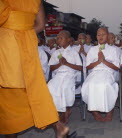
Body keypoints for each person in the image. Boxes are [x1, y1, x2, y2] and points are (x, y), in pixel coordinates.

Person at [0, 0, 70, 138]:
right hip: (27, 42)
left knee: (8, 94)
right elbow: (40, 25)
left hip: (7, 43)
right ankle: (58, 126)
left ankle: (57, 126)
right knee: (31, 88)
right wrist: (23, 30)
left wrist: (13, 28)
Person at [81, 27, 120, 122]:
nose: (101, 37)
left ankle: (109, 111)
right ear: (96, 37)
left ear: (108, 36)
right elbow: (88, 66)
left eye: (103, 34)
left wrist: (104, 61)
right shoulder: (92, 49)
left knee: (105, 85)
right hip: (95, 73)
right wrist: (98, 61)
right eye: (99, 35)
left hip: (108, 72)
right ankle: (95, 112)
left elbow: (117, 67)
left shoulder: (113, 50)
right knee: (90, 85)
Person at [48, 30, 83, 124]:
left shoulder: (74, 52)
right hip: (58, 76)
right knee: (50, 86)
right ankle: (58, 111)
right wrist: (60, 64)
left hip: (70, 76)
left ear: (68, 40)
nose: (58, 40)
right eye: (57, 38)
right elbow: (51, 68)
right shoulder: (56, 53)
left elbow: (80, 68)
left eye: (61, 38)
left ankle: (67, 110)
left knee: (65, 87)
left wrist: (67, 63)